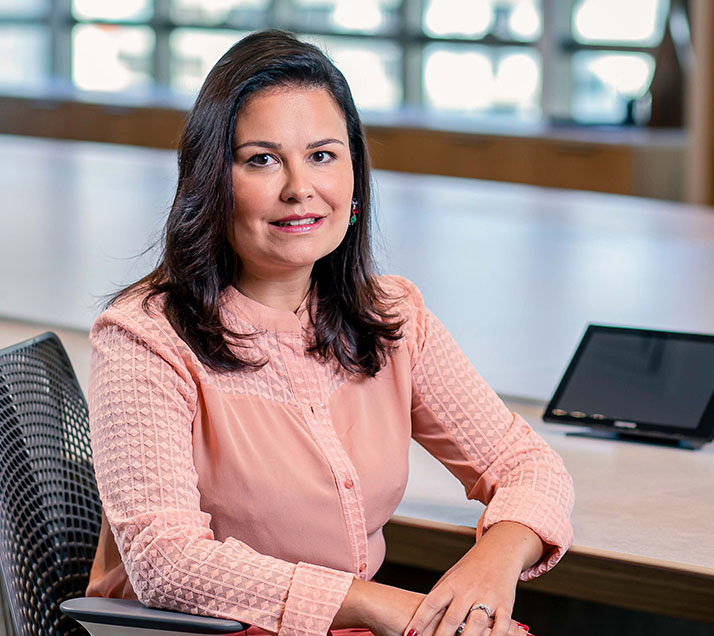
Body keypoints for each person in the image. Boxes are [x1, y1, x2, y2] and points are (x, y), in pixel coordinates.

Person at [85, 30, 574, 636]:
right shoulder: (144, 339)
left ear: (354, 174)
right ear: (211, 181)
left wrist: (492, 563)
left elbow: (527, 464)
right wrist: (375, 604)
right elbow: (166, 563)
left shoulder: (392, 316)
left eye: (322, 155)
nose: (300, 189)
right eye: (261, 159)